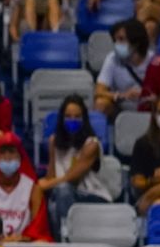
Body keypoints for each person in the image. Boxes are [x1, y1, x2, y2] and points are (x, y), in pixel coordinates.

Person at [41, 95, 114, 228]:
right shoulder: (54, 141)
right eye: (68, 116)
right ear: (62, 119)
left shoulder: (91, 144)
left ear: (84, 119)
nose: (72, 120)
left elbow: (72, 178)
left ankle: (67, 236)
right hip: (63, 195)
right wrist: (44, 185)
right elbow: (51, 176)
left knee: (63, 189)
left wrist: (46, 184)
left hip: (93, 195)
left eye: (77, 116)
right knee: (52, 202)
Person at [0, 133, 52, 242]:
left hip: (22, 244)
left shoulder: (33, 188)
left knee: (43, 243)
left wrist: (21, 238)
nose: (7, 157)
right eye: (3, 152)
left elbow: (38, 227)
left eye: (12, 152)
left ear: (20, 156)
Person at [93, 19, 160, 118]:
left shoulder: (157, 63)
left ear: (136, 42)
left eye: (121, 39)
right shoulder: (112, 59)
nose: (116, 44)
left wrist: (158, 100)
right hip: (121, 109)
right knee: (101, 103)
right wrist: (122, 95)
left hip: (155, 110)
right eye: (115, 40)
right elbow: (99, 91)